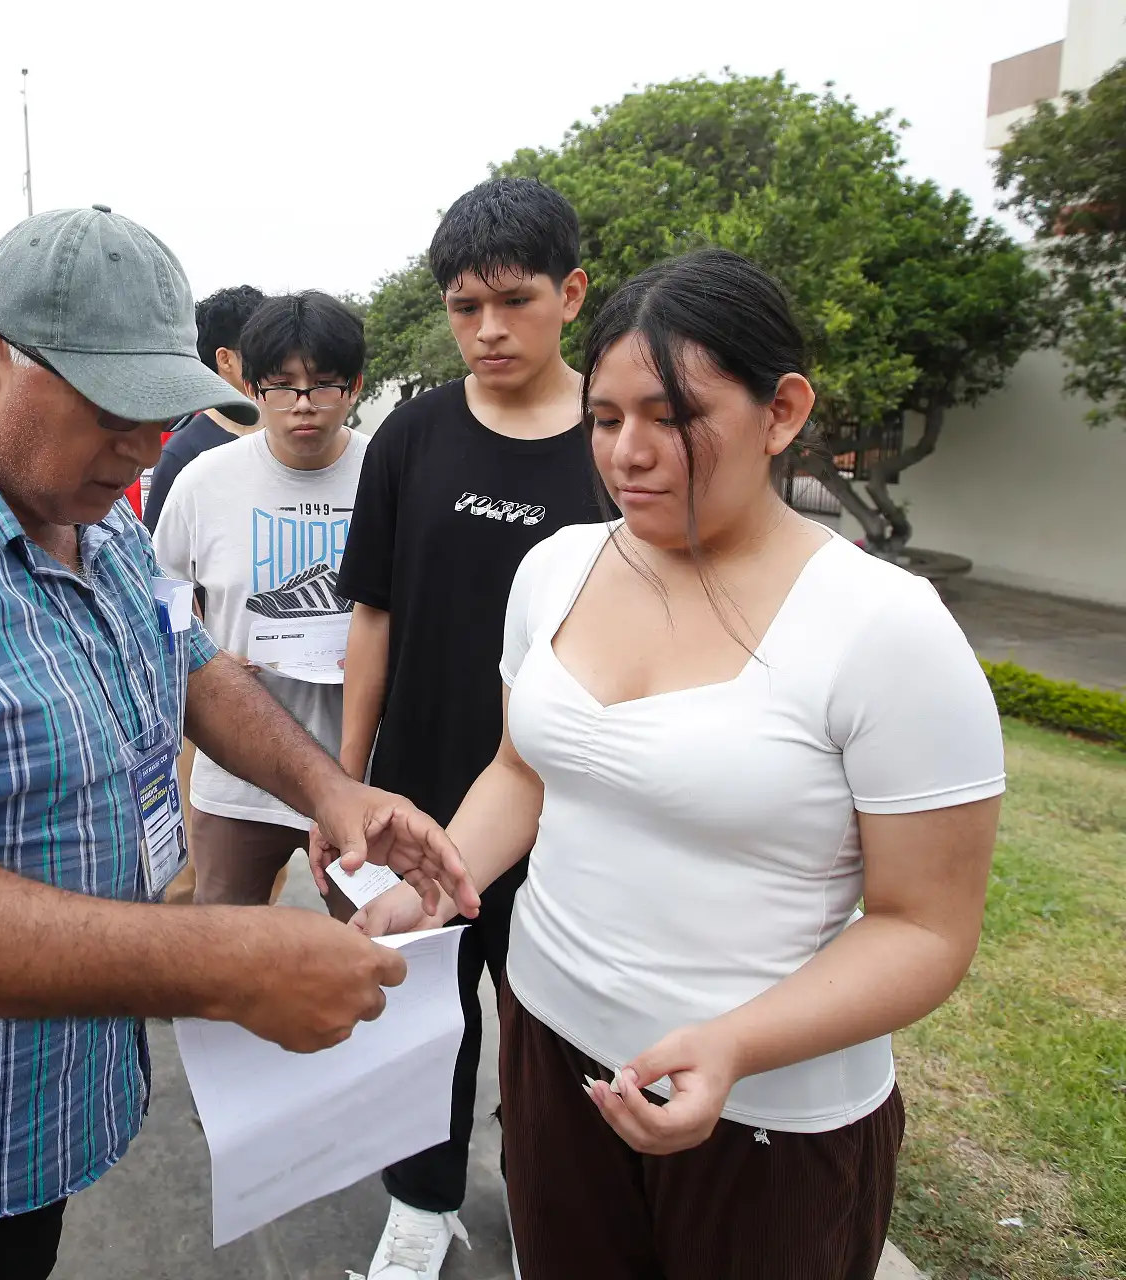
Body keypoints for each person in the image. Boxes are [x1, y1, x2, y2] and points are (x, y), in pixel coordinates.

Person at [0, 206, 476, 1280]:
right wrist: (223, 959)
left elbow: (194, 664)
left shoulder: (93, 515)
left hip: (51, 1089)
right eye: (115, 411)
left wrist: (331, 791)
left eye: (165, 414)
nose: (149, 445)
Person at [346, 248, 1005, 1279]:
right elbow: (523, 772)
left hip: (766, 1116)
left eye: (674, 417)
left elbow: (926, 925)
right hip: (551, 1047)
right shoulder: (558, 566)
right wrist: (433, 884)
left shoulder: (885, 628)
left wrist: (738, 1044)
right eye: (605, 420)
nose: (629, 454)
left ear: (781, 410)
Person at [332, 176, 607, 1280]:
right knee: (419, 1022)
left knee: (553, 1033)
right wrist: (342, 784)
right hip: (420, 793)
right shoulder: (413, 434)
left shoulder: (621, 439)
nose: (487, 328)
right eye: (462, 305)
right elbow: (373, 614)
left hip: (576, 805)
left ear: (572, 294)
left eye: (513, 299)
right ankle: (422, 1200)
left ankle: (558, 1212)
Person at [152, 291, 369, 906]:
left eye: (323, 385)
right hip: (236, 773)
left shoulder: (387, 471)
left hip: (358, 768)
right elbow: (163, 588)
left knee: (374, 948)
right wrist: (201, 652)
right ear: (251, 385)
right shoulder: (203, 480)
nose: (303, 406)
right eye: (281, 386)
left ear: (354, 385)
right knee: (224, 944)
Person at [141, 284, 266, 531]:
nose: (275, 359)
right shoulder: (182, 454)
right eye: (262, 348)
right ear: (225, 359)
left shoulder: (287, 437)